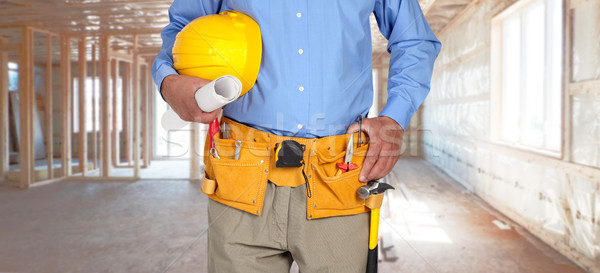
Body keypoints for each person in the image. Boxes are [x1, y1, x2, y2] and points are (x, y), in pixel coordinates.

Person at [153, 0, 441, 272]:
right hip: (241, 171)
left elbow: (414, 39)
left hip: (340, 173)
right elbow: (184, 26)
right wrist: (169, 81)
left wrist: (395, 118)